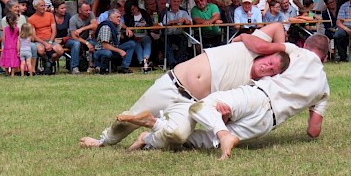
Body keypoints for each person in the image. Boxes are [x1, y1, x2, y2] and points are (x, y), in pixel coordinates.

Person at [79, 23, 289, 149]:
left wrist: (225, 114)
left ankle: (147, 137)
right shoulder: (249, 48)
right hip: (173, 83)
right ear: (267, 54)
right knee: (130, 118)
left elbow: (231, 110)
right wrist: (283, 48)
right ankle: (102, 141)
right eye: (269, 63)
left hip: (192, 104)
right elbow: (278, 26)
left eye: (273, 71)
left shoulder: (251, 86)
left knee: (178, 136)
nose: (267, 69)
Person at [186, 33, 330, 160]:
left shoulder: (297, 51)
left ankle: (222, 134)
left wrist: (243, 36)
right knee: (205, 141)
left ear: (305, 45)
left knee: (203, 106)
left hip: (258, 95)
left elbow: (261, 47)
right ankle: (220, 135)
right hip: (265, 123)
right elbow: (313, 131)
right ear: (325, 58)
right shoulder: (324, 88)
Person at [93, 9, 135, 74]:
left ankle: (124, 68)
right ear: (110, 18)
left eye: (120, 17)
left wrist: (127, 28)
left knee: (131, 44)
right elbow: (105, 46)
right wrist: (120, 51)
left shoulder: (117, 25)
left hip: (114, 48)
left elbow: (122, 24)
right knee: (108, 53)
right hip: (101, 50)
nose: (119, 19)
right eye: (117, 17)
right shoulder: (106, 27)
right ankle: (102, 68)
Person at [28, 0, 64, 73]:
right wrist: (45, 44)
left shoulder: (50, 15)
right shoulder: (31, 19)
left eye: (44, 5)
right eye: (41, 6)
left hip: (50, 39)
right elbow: (34, 35)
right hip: (39, 40)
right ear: (35, 7)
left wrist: (50, 42)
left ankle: (50, 61)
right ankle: (46, 60)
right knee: (41, 51)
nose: (44, 7)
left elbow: (54, 30)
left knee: (60, 51)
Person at [67, 1, 97, 74]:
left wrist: (82, 29)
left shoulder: (90, 14)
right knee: (76, 44)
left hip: (85, 38)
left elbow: (95, 26)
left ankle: (94, 66)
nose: (88, 12)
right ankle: (75, 67)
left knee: (94, 43)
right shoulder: (73, 20)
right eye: (86, 10)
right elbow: (74, 36)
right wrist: (86, 43)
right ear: (80, 11)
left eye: (89, 10)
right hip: (71, 40)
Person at [122, 0, 153, 70]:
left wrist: (145, 25)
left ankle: (145, 60)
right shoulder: (127, 16)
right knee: (136, 45)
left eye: (134, 9)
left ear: (137, 6)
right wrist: (134, 37)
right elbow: (127, 28)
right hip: (134, 36)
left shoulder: (144, 13)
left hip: (144, 35)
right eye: (131, 10)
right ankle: (143, 62)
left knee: (147, 41)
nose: (133, 11)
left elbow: (150, 24)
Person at [162, 0, 192, 68]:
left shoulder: (183, 12)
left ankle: (179, 62)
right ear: (170, 2)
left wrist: (185, 20)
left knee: (184, 40)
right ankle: (172, 63)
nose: (176, 3)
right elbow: (165, 23)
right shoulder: (166, 12)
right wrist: (176, 21)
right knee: (165, 42)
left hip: (179, 33)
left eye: (177, 2)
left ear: (180, 3)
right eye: (174, 1)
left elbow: (190, 22)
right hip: (168, 34)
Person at [0, 12, 21, 77]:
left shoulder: (5, 28)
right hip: (14, 46)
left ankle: (6, 72)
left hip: (7, 46)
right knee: (14, 60)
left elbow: (3, 38)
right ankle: (12, 73)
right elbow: (18, 37)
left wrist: (5, 44)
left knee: (6, 59)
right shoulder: (17, 28)